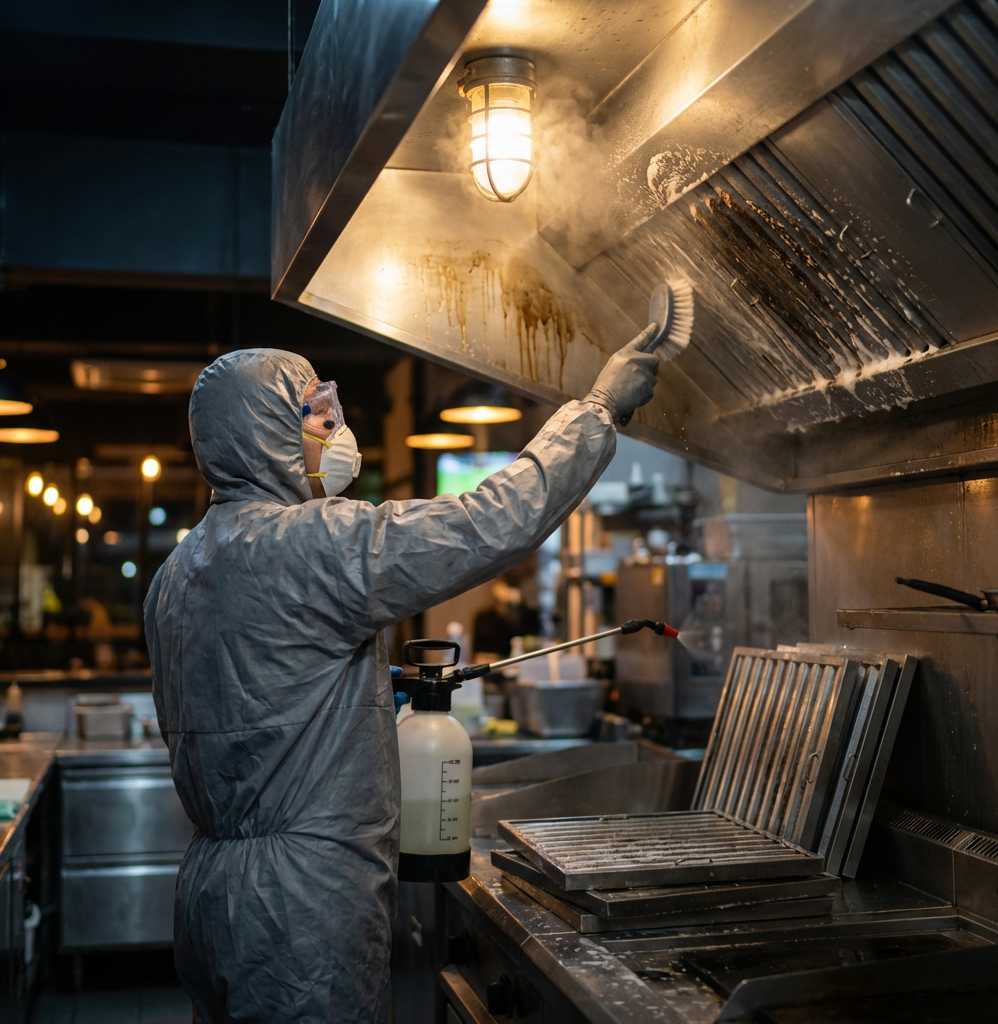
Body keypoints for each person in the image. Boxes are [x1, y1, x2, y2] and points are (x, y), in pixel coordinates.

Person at [143, 328, 659, 1024]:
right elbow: (487, 523)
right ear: (267, 432)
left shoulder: (178, 570)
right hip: (302, 903)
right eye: (319, 416)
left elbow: (254, 681)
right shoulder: (309, 543)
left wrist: (357, 683)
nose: (338, 429)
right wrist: (597, 412)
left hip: (209, 892)